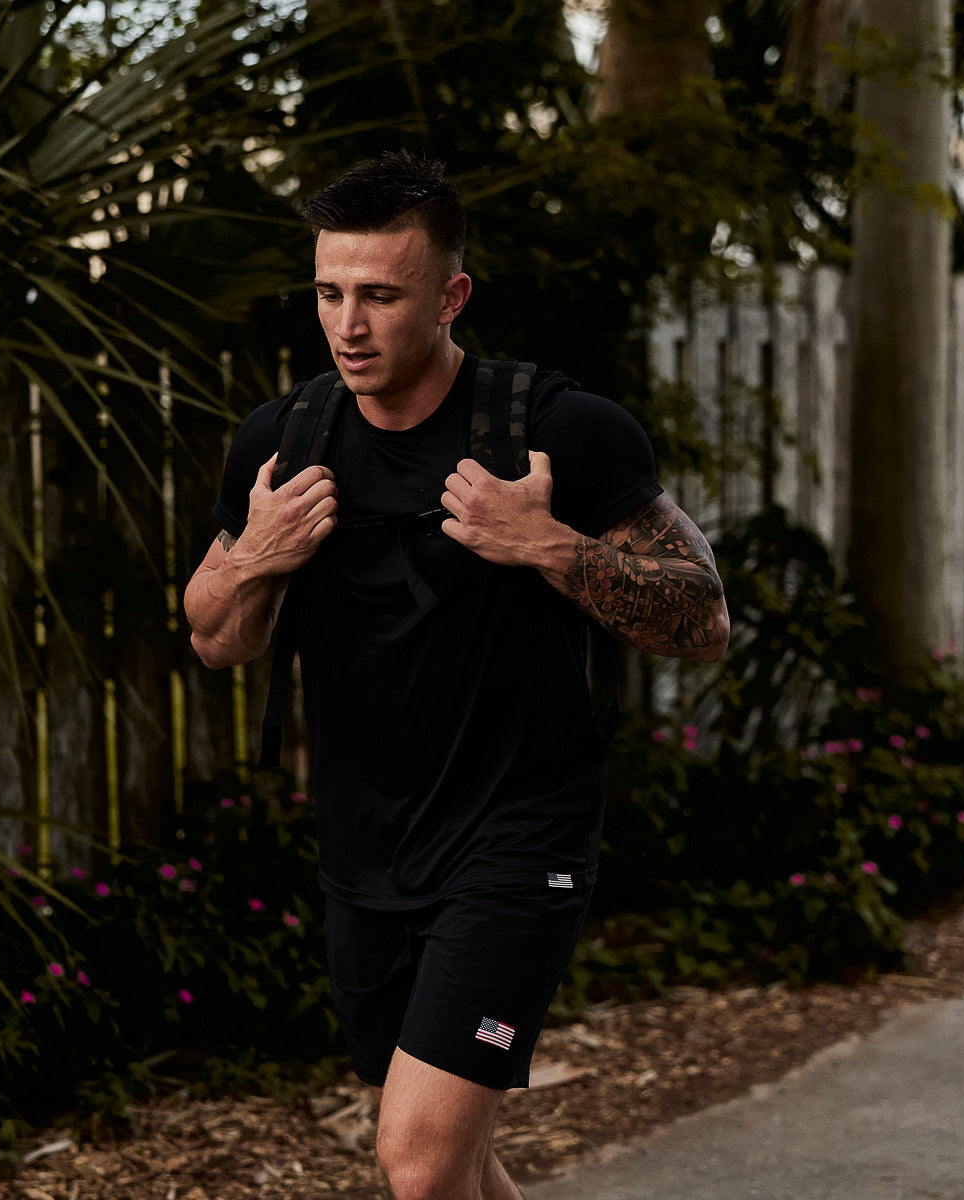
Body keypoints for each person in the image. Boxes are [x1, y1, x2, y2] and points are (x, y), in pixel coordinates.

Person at [184, 150, 729, 1200]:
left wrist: (547, 545)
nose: (349, 325)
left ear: (450, 296)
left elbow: (702, 618)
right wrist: (255, 556)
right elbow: (215, 640)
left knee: (418, 1162)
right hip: (366, 846)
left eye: (381, 296)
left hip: (517, 838)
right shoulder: (285, 441)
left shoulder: (555, 432)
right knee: (461, 1164)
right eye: (330, 294)